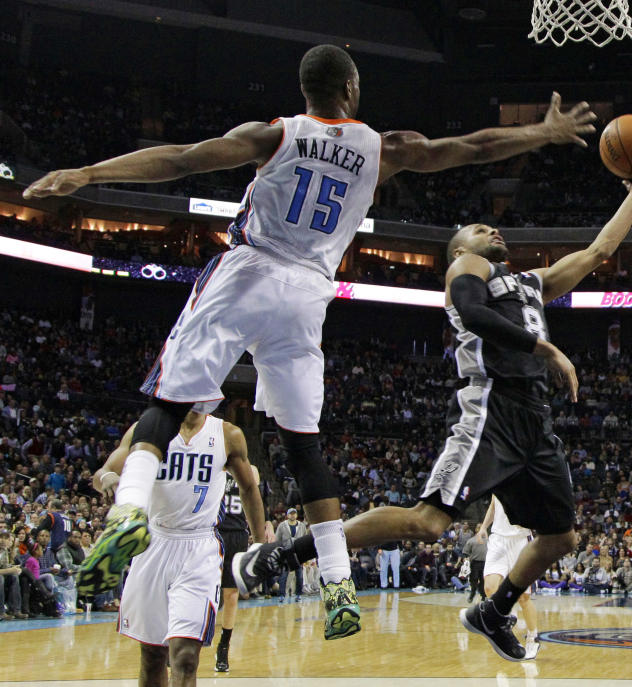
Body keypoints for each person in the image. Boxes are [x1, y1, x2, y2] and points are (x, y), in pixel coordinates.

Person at [25, 44, 595, 642]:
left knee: (169, 403)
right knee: (304, 445)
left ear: (307, 92)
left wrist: (89, 174)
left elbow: (181, 159)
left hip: (249, 268)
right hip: (308, 295)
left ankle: (128, 510)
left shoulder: (277, 134)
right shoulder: (380, 145)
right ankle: (338, 583)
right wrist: (543, 131)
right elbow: (472, 148)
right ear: (351, 88)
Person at [232, 151, 632, 661]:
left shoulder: (530, 283)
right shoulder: (468, 266)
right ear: (460, 249)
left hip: (534, 419)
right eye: (482, 228)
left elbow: (598, 250)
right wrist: (544, 348)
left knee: (562, 537)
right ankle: (286, 552)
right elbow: (476, 314)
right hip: (490, 410)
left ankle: (494, 610)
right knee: (427, 523)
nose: (494, 232)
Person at [93, 412, 264, 687]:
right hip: (153, 543)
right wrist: (111, 479)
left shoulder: (227, 434)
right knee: (152, 655)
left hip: (199, 547)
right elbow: (103, 472)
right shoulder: (148, 427)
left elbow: (249, 488)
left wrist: (258, 543)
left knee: (185, 657)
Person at [214, 462, 262, 672]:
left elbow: (254, 489)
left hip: (237, 533)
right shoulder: (211, 464)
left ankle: (224, 644)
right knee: (201, 590)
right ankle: (187, 640)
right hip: (211, 533)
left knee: (231, 593)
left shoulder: (249, 469)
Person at [478, 496, 540, 659]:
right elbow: (493, 504)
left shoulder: (529, 478)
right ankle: (506, 625)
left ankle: (533, 637)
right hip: (498, 539)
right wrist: (484, 526)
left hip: (520, 540)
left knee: (523, 597)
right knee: (490, 588)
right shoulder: (497, 474)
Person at [275, 508, 308, 602]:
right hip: (286, 553)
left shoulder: (302, 526)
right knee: (283, 575)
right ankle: (281, 594)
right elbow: (277, 540)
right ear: (287, 515)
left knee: (300, 576)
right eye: (290, 514)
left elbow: (305, 540)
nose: (292, 515)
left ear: (296, 515)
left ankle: (298, 594)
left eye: (294, 514)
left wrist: (305, 555)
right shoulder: (282, 525)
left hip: (298, 554)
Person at [461, 527, 488, 602]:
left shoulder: (488, 540)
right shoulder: (471, 540)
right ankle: (472, 594)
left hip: (485, 563)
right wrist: (466, 560)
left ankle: (483, 596)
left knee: (483, 581)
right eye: (479, 528)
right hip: (474, 563)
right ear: (476, 530)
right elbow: (465, 553)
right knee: (474, 580)